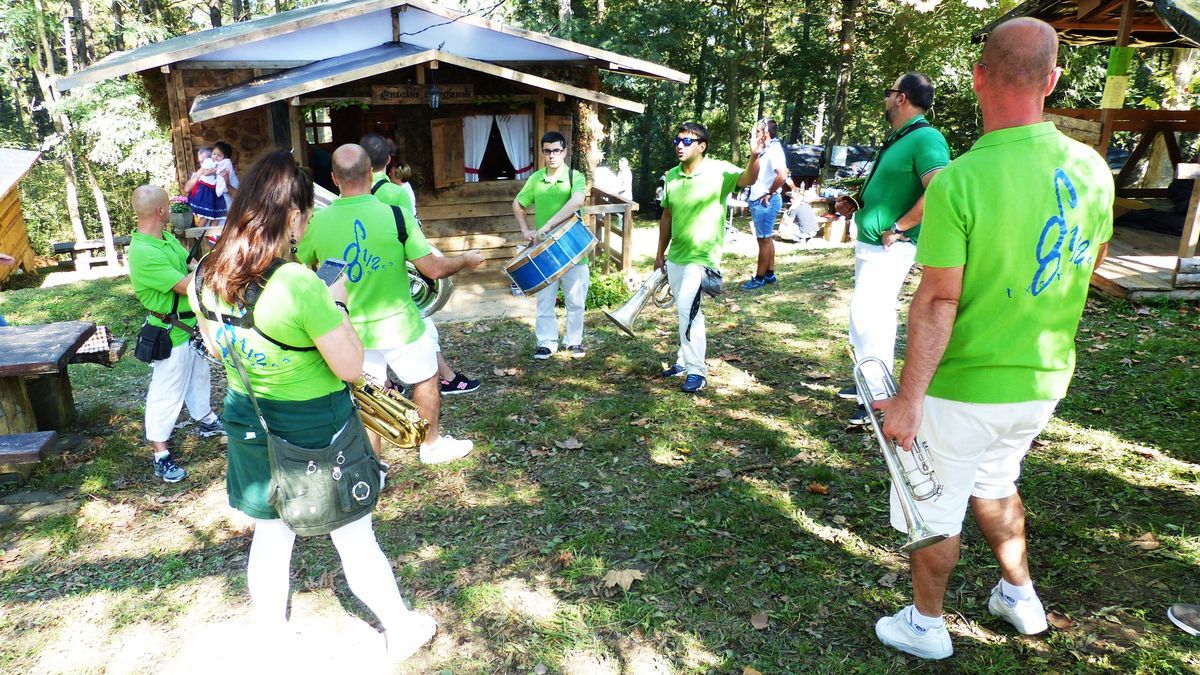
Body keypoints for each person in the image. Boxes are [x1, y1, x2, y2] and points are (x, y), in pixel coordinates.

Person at [871, 18, 1114, 660]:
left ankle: (925, 625)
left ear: (978, 77)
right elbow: (1088, 263)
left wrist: (908, 400)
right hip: (1042, 381)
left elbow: (938, 299)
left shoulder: (961, 179)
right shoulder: (1092, 170)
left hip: (965, 384)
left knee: (934, 507)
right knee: (997, 481)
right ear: (1053, 80)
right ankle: (1020, 595)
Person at [188, 150, 436, 661]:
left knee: (271, 533)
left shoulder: (206, 274)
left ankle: (271, 636)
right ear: (295, 215)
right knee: (353, 533)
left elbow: (215, 348)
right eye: (305, 215)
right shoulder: (299, 283)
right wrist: (338, 302)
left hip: (248, 419)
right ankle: (399, 626)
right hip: (315, 428)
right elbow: (350, 366)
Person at [297, 144, 485, 463]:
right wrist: (465, 259)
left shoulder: (317, 223)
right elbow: (433, 269)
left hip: (349, 330)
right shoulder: (396, 216)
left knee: (369, 399)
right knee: (426, 378)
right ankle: (431, 446)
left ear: (333, 179)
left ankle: (375, 466)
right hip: (399, 324)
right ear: (371, 173)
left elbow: (303, 269)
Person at [836, 72, 950, 426]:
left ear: (901, 98)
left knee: (873, 317)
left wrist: (900, 226)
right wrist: (856, 202)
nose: (885, 99)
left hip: (891, 246)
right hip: (873, 244)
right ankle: (866, 380)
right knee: (863, 314)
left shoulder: (926, 137)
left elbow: (940, 189)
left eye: (889, 92)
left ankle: (877, 395)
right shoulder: (900, 137)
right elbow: (891, 187)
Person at [359, 133, 480, 396]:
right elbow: (411, 239)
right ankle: (444, 380)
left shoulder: (348, 196)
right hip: (396, 277)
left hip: (365, 279)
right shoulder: (396, 192)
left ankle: (388, 384)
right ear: (388, 160)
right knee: (422, 326)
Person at [654, 122, 763, 393]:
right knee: (685, 310)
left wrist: (755, 156)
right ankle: (683, 359)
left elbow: (748, 179)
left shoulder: (719, 170)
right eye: (677, 141)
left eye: (687, 141)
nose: (680, 145)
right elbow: (666, 217)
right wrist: (660, 254)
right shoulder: (672, 177)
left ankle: (697, 372)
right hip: (677, 255)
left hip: (702, 257)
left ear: (702, 146)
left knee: (688, 310)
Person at [128, 185, 224, 483]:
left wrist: (206, 265)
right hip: (170, 331)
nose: (170, 209)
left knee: (198, 376)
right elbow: (186, 284)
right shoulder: (143, 251)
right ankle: (160, 453)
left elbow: (190, 266)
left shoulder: (166, 238)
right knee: (167, 392)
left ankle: (205, 418)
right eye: (167, 206)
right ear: (161, 211)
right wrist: (211, 270)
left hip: (189, 323)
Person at [513, 131, 589, 360]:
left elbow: (577, 201)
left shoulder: (574, 176)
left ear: (564, 152)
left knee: (576, 300)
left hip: (573, 248)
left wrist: (547, 225)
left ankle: (574, 342)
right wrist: (525, 229)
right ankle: (546, 343)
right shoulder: (536, 178)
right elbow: (518, 204)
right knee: (545, 301)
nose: (552, 155)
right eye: (547, 151)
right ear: (542, 153)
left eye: (556, 150)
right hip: (545, 251)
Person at [742, 119, 790, 290]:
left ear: (765, 133)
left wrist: (769, 192)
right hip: (763, 200)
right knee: (767, 238)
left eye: (757, 132)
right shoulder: (767, 150)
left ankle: (759, 278)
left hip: (765, 201)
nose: (754, 135)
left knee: (763, 240)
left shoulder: (773, 150)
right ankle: (769, 273)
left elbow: (782, 175)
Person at [187, 147, 225, 228]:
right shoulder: (196, 175)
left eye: (205, 160)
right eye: (201, 161)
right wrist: (202, 171)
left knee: (218, 217)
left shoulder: (221, 168)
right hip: (205, 197)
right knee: (205, 217)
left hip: (217, 198)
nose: (203, 163)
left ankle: (212, 236)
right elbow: (187, 189)